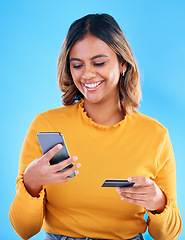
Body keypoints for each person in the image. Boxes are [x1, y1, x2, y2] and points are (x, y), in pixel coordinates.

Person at [9, 13, 182, 240]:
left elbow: (168, 235)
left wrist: (159, 202)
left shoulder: (155, 135)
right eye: (77, 65)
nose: (88, 74)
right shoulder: (46, 125)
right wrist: (31, 181)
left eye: (99, 62)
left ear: (122, 63)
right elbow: (24, 230)